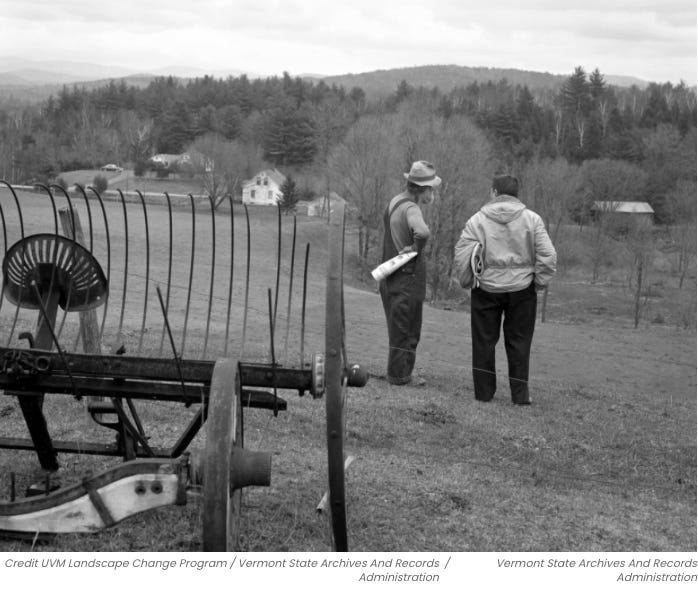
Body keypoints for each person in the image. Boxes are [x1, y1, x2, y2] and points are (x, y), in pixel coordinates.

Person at [453, 174, 556, 404]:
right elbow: (548, 256)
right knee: (519, 342)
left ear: (494, 193)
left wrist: (467, 280)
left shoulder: (477, 221)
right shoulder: (532, 220)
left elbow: (462, 256)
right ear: (517, 195)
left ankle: (483, 393)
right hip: (522, 289)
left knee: (483, 342)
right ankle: (519, 396)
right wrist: (538, 282)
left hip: (487, 287)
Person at [379, 160, 440, 385]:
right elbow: (422, 232)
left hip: (390, 274)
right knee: (408, 328)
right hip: (407, 277)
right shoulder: (412, 208)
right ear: (422, 189)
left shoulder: (395, 201)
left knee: (397, 327)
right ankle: (400, 376)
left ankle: (398, 372)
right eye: (430, 188)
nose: (432, 192)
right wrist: (415, 248)